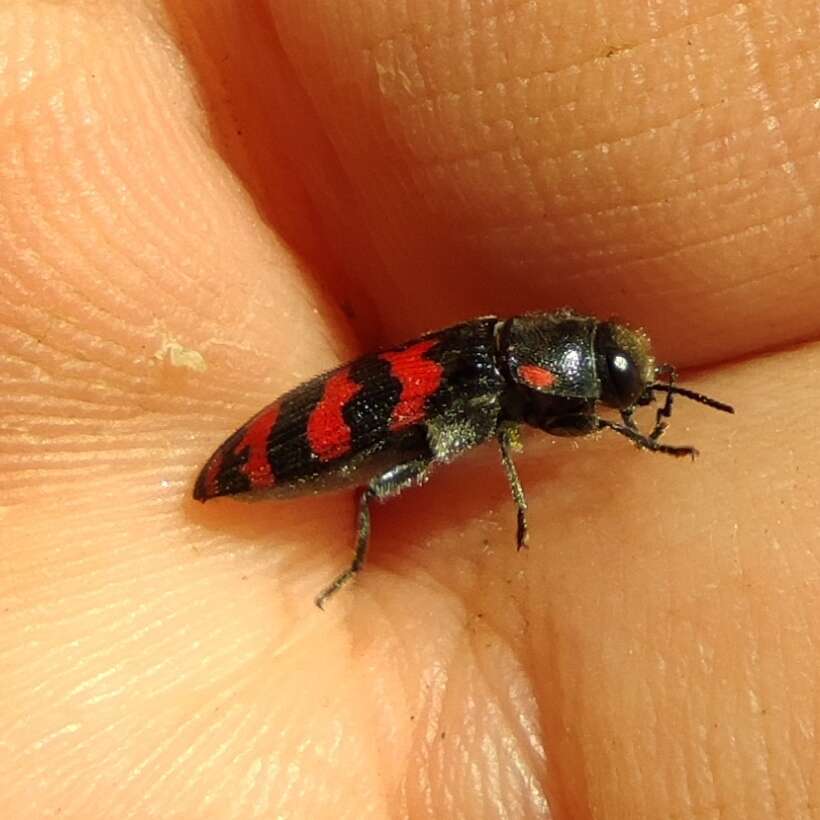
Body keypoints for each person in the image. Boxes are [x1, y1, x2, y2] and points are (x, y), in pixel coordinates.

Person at [2, 2, 816, 817]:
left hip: (352, 418)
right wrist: (540, 485)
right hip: (302, 448)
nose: (620, 396)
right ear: (560, 363)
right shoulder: (503, 385)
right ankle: (353, 556)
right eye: (612, 385)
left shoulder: (513, 360)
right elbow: (519, 433)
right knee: (379, 485)